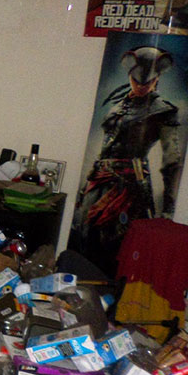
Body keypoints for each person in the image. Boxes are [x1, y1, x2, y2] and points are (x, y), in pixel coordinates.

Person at [70, 45, 182, 275]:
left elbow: (172, 162)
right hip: (100, 180)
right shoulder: (117, 107)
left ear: (156, 79)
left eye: (147, 82)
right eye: (136, 81)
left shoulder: (163, 111)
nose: (141, 86)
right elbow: (105, 148)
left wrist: (168, 209)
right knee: (84, 237)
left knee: (117, 246)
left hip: (130, 185)